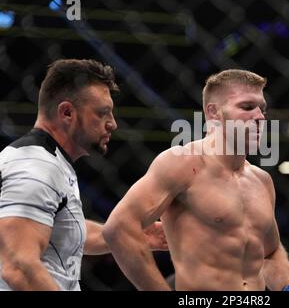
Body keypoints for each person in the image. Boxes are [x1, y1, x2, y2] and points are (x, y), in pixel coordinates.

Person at [102, 69, 289, 291]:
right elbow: (118, 229)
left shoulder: (261, 180)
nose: (260, 117)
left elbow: (270, 252)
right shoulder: (182, 164)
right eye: (247, 107)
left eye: (262, 108)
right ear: (214, 113)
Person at [0, 59, 167, 291]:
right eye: (103, 113)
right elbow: (18, 267)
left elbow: (56, 229)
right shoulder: (35, 168)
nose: (113, 124)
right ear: (67, 112)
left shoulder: (51, 162)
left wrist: (123, 235)